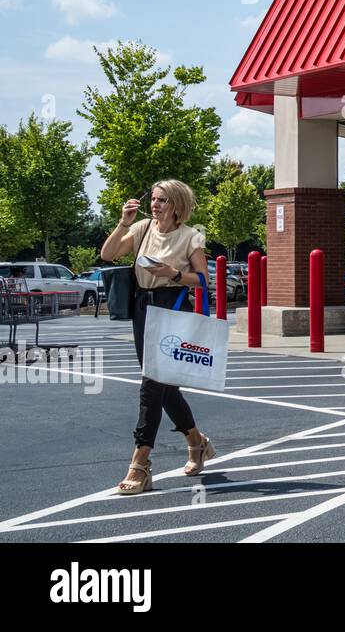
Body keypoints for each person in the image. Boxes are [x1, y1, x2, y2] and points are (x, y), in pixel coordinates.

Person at [99, 180, 215, 495]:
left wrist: (174, 274)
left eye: (162, 200)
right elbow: (107, 255)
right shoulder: (141, 229)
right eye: (153, 199)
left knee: (152, 383)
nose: (155, 204)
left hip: (173, 306)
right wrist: (123, 221)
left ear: (176, 204)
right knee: (163, 387)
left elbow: (202, 281)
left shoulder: (191, 236)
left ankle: (141, 462)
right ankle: (197, 442)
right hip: (143, 307)